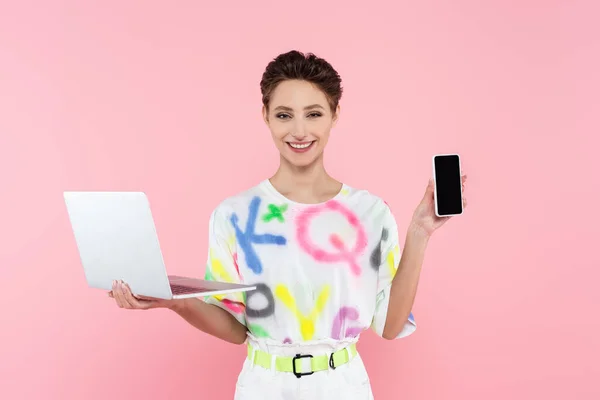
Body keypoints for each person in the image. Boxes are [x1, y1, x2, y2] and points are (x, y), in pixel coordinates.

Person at [109, 50, 468, 399]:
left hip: (343, 386)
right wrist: (176, 303)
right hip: (264, 385)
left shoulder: (370, 213)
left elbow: (390, 327)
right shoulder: (234, 215)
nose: (299, 131)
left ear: (334, 115)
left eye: (313, 114)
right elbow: (235, 330)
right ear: (265, 115)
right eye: (284, 115)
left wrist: (420, 232)